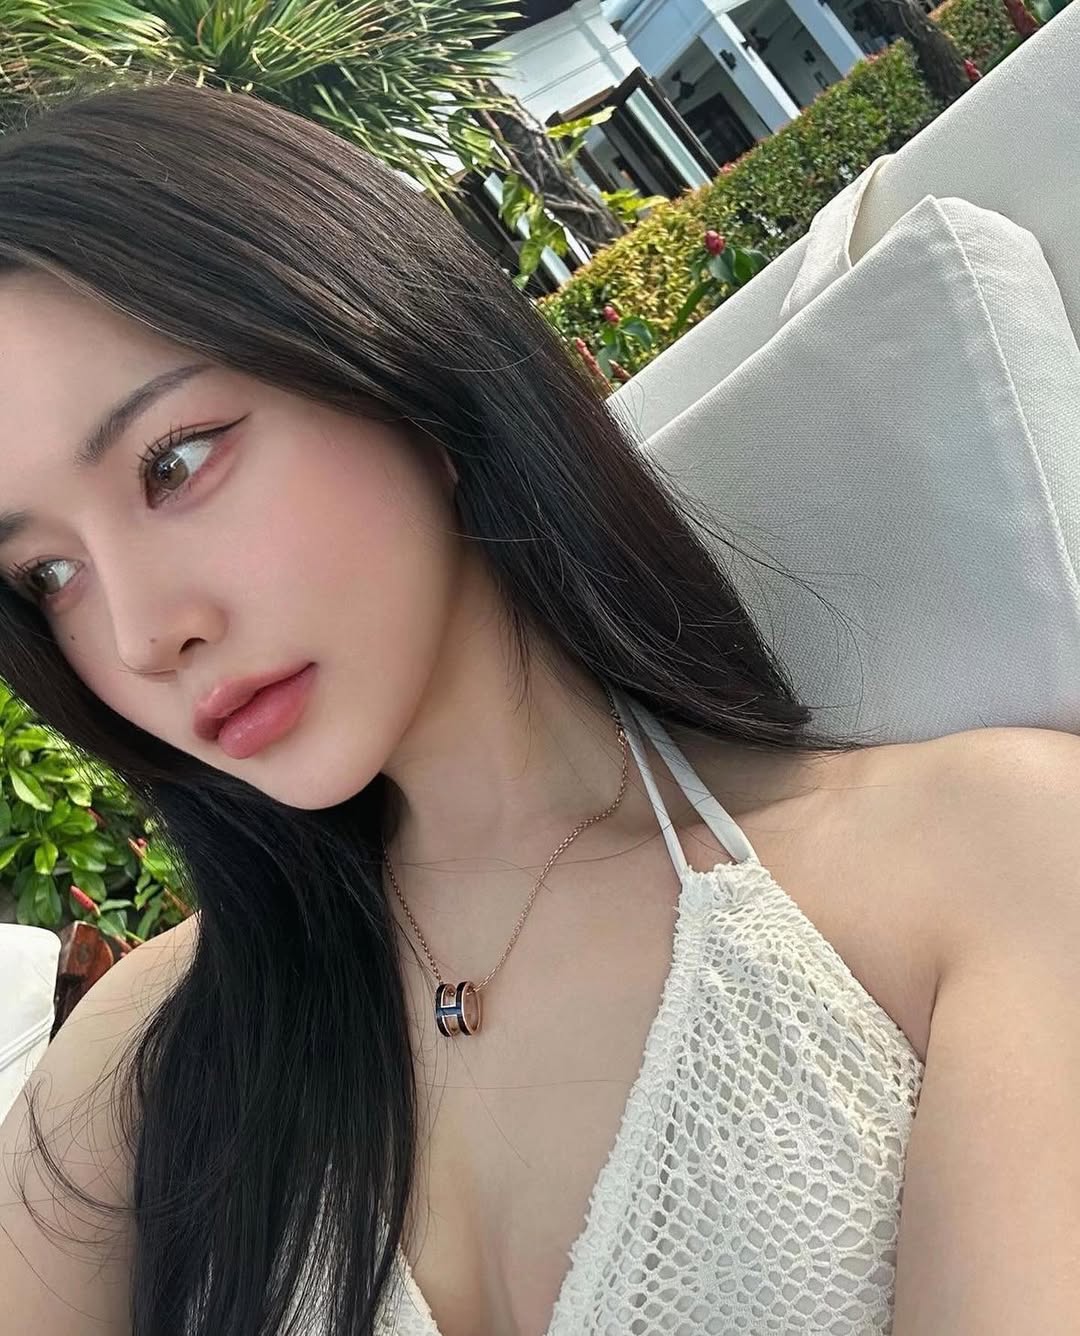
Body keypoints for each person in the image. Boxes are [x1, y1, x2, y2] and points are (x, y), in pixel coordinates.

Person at [0, 77, 1077, 1336]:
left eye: (174, 463)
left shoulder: (981, 853)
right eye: (48, 574)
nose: (141, 634)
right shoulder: (138, 1069)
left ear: (389, 352)